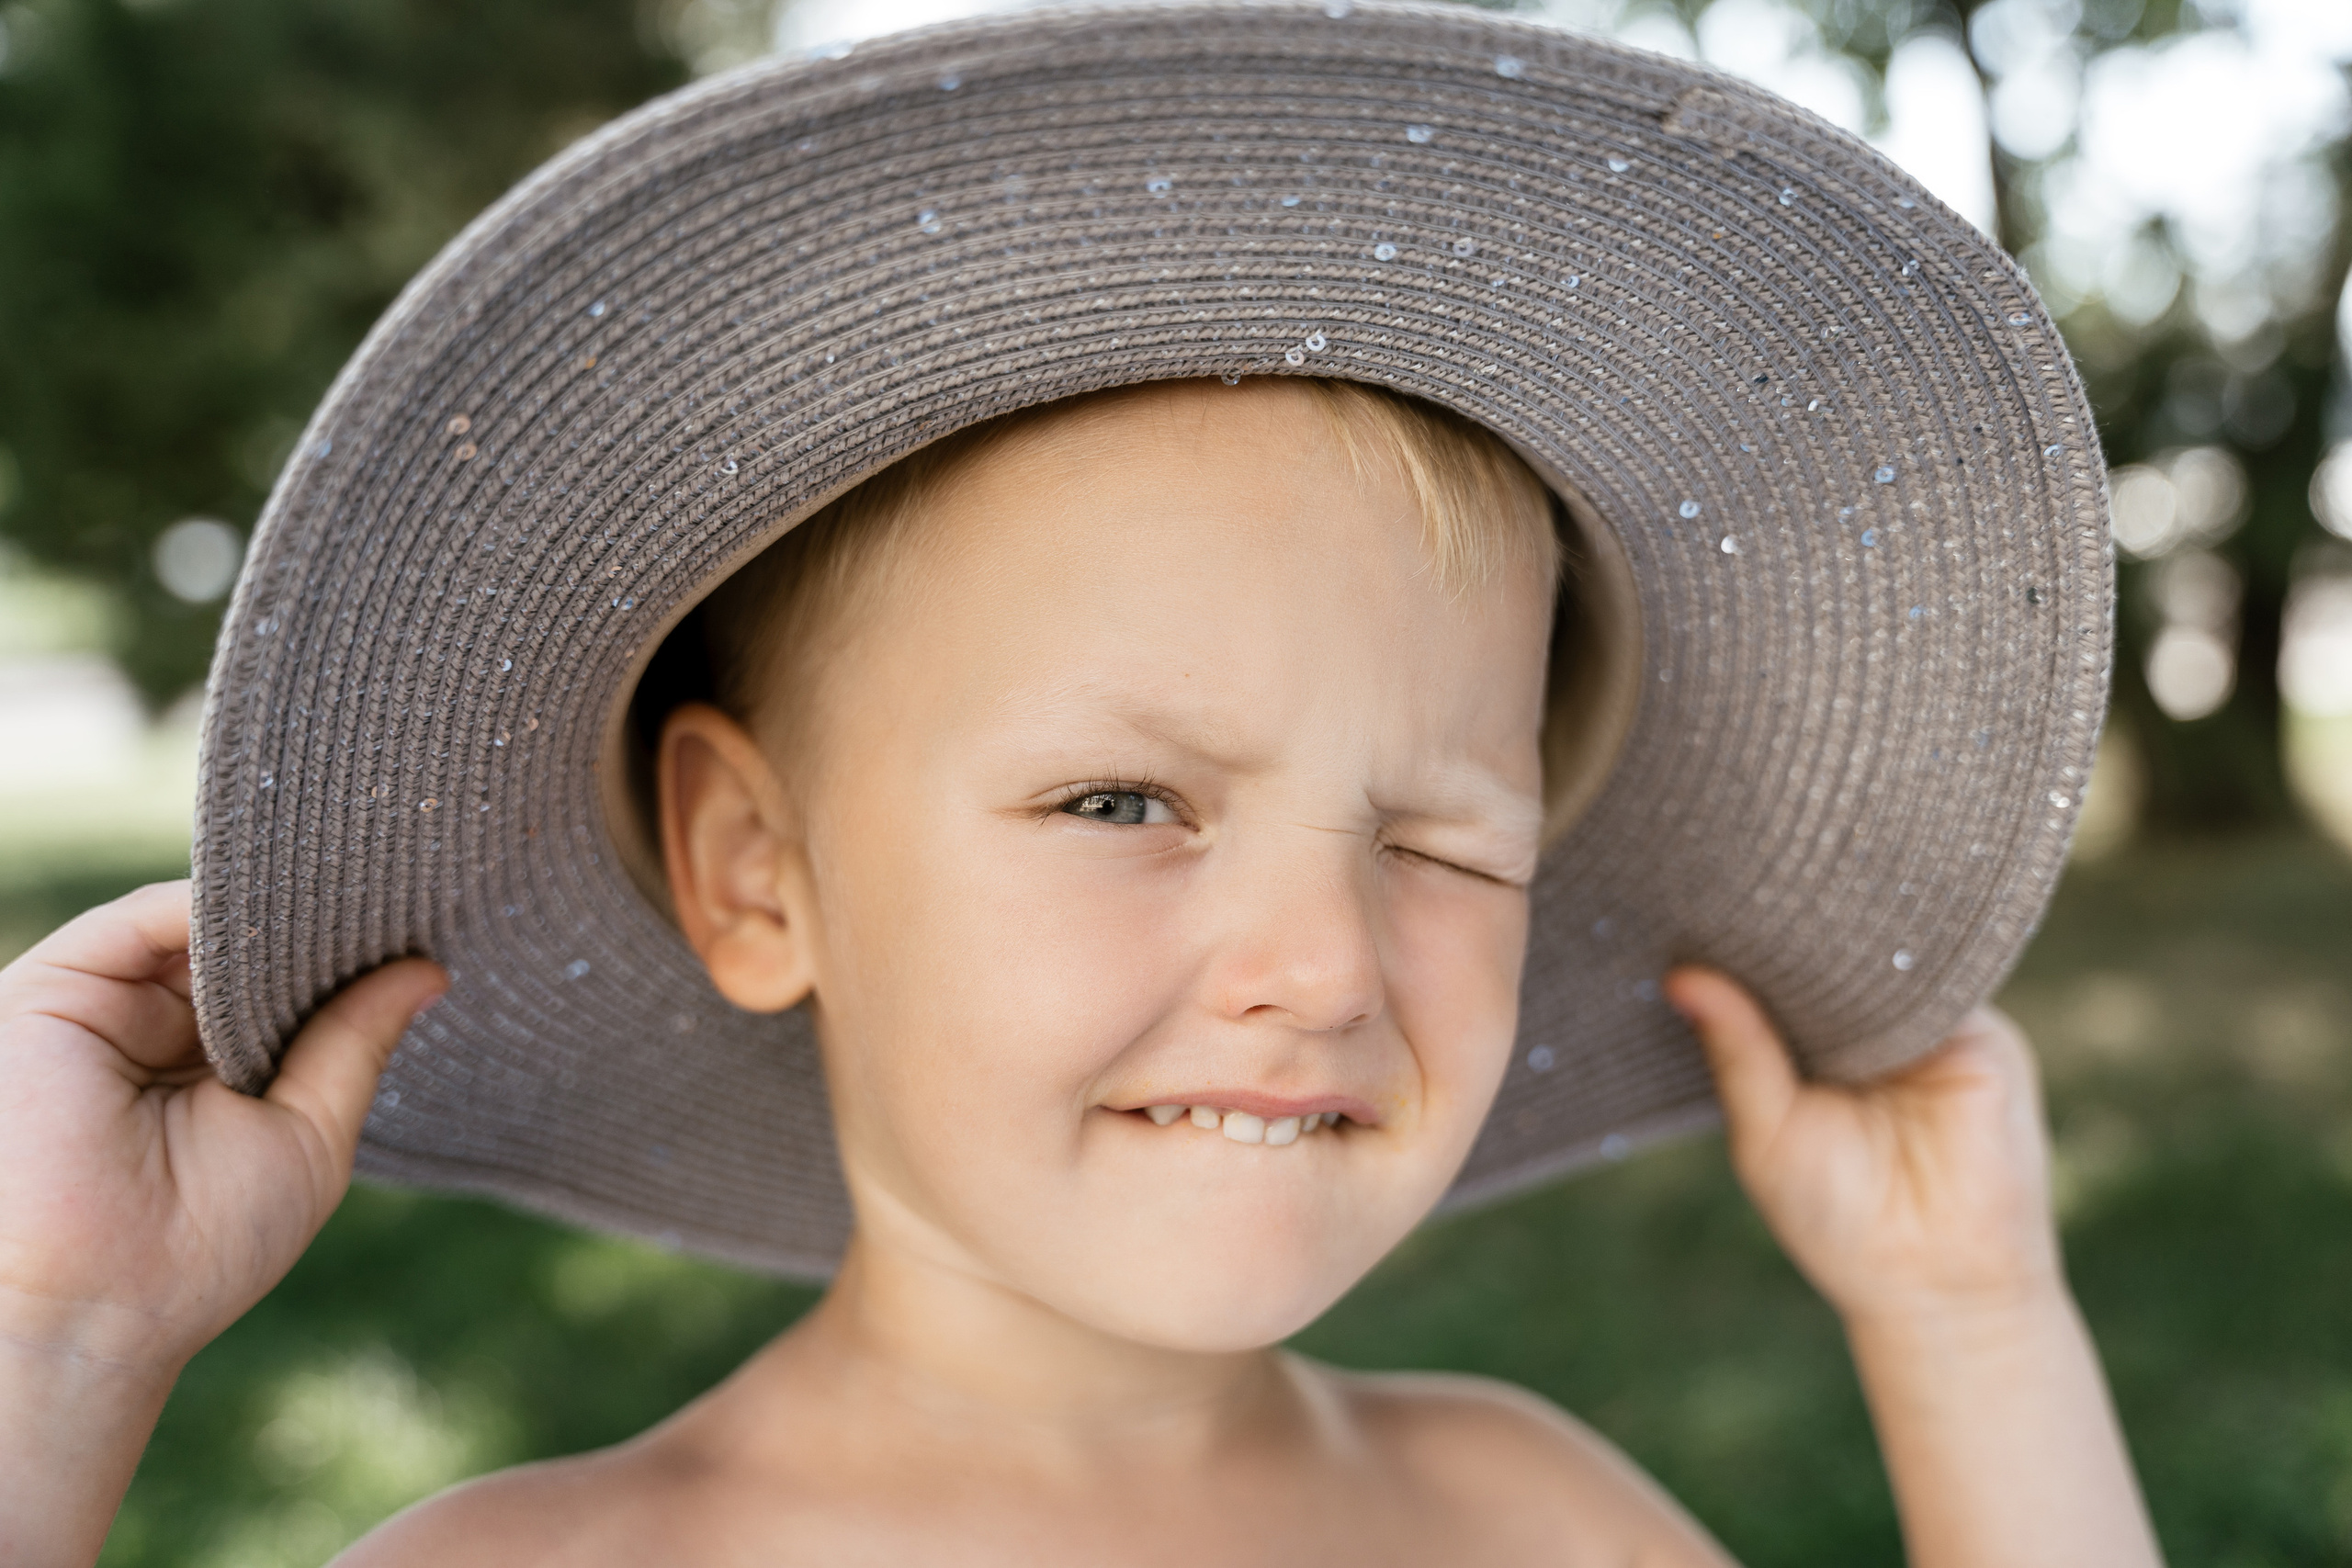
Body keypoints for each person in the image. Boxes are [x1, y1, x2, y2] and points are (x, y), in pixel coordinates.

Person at [0, 9, 2165, 1565]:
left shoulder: (1527, 1513)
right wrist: (57, 1331)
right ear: (755, 869)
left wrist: (1967, 1320)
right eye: (1125, 800)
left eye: (1432, 834)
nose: (1321, 963)